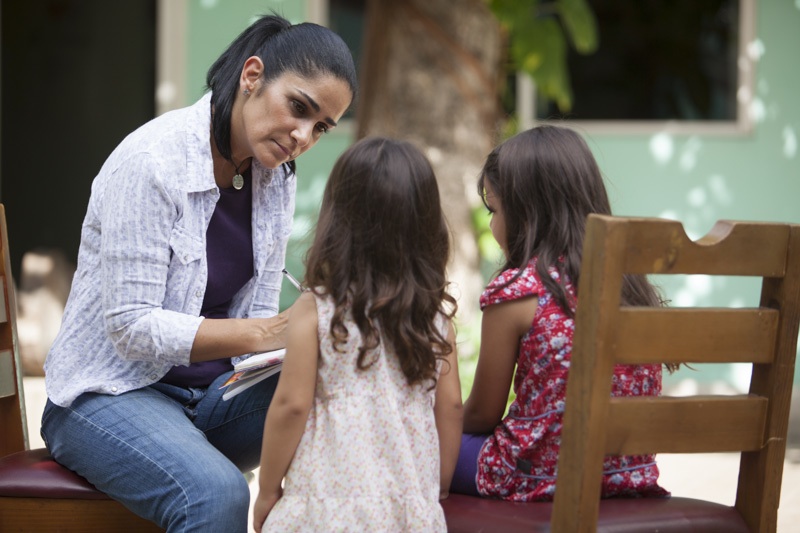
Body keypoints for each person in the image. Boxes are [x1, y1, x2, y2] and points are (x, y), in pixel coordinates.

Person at [40, 14, 357, 532]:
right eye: (299, 108)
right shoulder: (151, 162)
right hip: (104, 396)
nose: (303, 135)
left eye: (321, 127)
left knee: (347, 389)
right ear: (252, 76)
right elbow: (130, 327)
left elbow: (254, 318)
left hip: (210, 397)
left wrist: (328, 330)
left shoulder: (273, 176)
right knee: (217, 495)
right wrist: (276, 330)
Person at [252, 137, 464, 532]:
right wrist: (435, 490)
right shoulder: (434, 317)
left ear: (337, 220)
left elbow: (291, 406)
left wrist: (267, 490)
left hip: (324, 510)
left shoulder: (316, 310)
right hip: (407, 510)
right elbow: (450, 408)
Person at [450, 125, 671, 501]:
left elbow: (482, 417)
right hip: (626, 477)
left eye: (495, 209)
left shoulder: (519, 291)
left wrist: (436, 420)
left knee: (422, 443)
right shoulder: (630, 287)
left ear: (525, 213)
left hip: (536, 478)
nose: (492, 223)